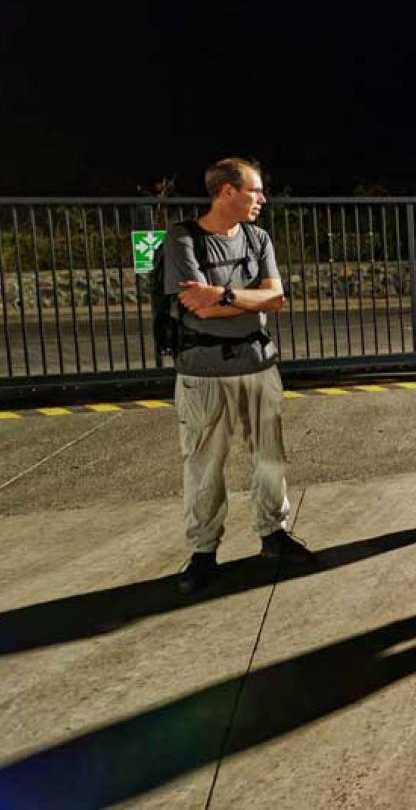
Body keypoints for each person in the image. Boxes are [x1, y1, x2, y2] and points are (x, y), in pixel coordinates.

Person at [163, 157, 313, 593]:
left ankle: (273, 535)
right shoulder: (183, 239)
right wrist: (250, 299)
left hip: (258, 365)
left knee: (269, 457)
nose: (262, 199)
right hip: (203, 374)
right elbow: (200, 309)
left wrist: (225, 294)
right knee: (204, 465)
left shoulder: (258, 237)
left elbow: (277, 299)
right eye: (254, 191)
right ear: (227, 192)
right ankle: (204, 553)